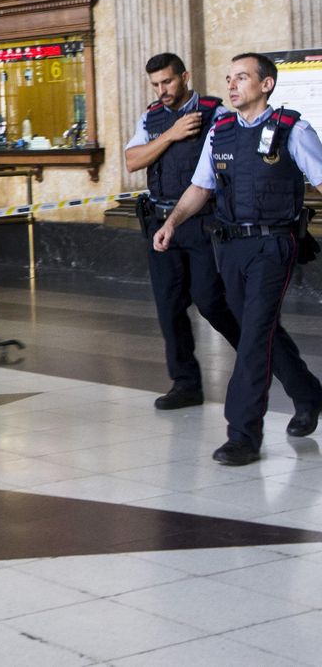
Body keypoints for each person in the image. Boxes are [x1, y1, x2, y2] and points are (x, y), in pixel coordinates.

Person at [154, 53, 322, 466]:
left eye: (242, 77)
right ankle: (308, 393)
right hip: (229, 247)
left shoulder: (293, 130)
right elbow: (200, 187)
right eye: (229, 78)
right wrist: (172, 222)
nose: (231, 85)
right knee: (256, 329)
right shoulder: (221, 132)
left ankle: (243, 435)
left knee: (252, 339)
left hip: (273, 246)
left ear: (266, 85)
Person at [124, 53, 267, 410]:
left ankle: (259, 358)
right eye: (156, 84)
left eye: (168, 82)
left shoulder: (215, 114)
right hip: (161, 222)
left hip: (203, 223)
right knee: (169, 307)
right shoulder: (152, 118)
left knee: (210, 300)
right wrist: (171, 135)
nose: (162, 91)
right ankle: (185, 384)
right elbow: (132, 160)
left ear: (184, 76)